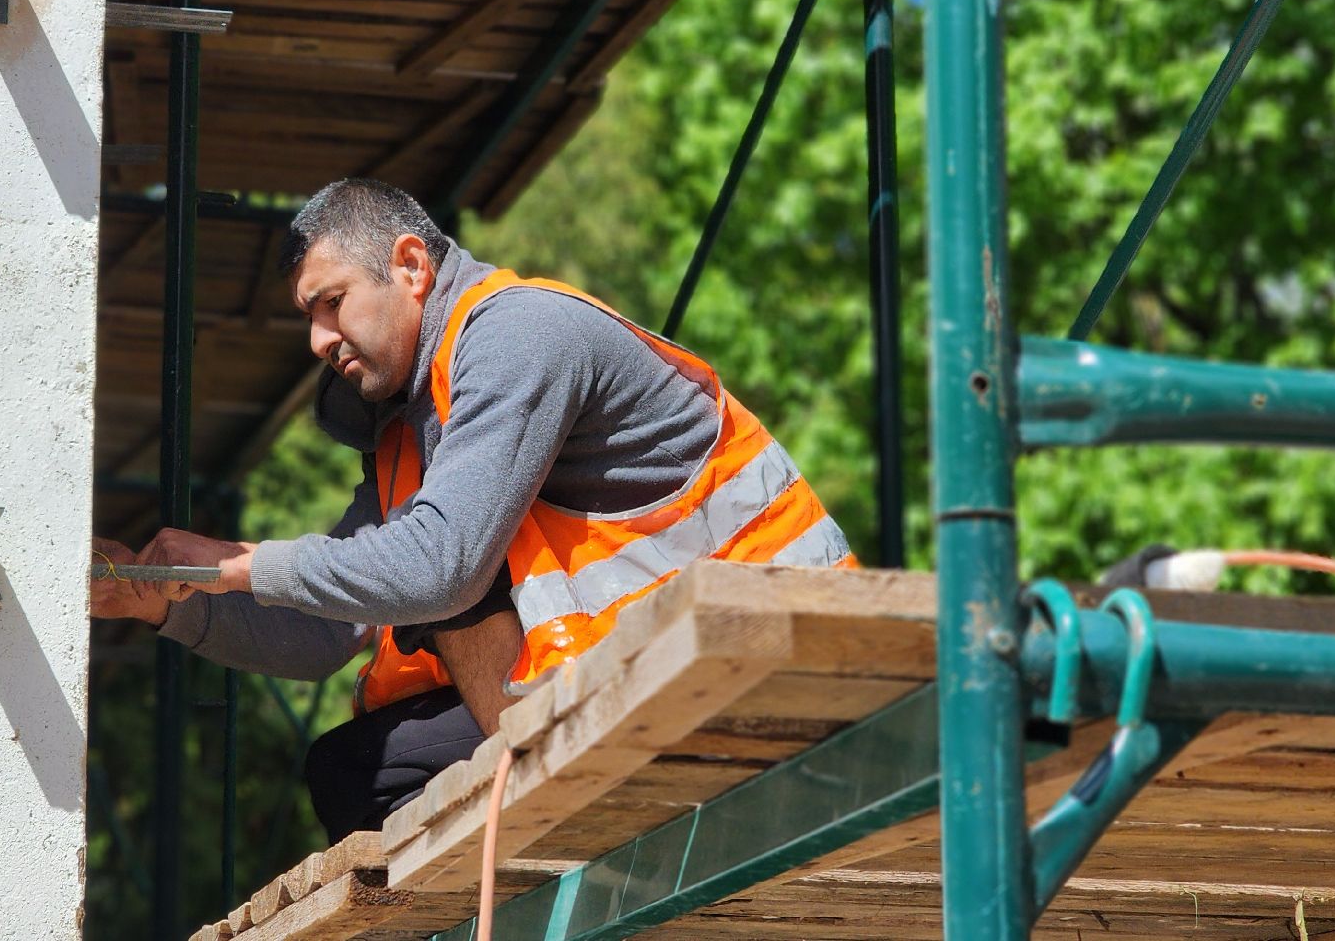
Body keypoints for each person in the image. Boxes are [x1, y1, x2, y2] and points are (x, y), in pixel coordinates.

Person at [91, 178, 854, 842]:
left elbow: (442, 569)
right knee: (350, 771)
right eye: (309, 316)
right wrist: (170, 602)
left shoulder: (519, 333)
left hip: (778, 655)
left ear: (412, 266)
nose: (319, 339)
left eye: (332, 303)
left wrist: (244, 561)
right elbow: (325, 634)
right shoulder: (410, 430)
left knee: (435, 587)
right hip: (645, 672)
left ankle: (574, 829)